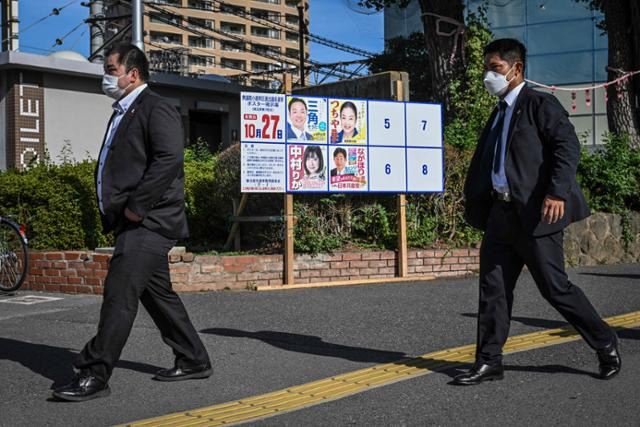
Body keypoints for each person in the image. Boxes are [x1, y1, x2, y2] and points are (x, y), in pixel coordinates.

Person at [457, 38, 620, 385]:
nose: (489, 75)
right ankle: (489, 361)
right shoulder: (498, 112)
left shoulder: (538, 104)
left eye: (495, 68)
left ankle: (605, 341)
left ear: (516, 69)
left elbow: (567, 146)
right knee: (493, 289)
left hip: (536, 216)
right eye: (486, 67)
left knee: (555, 288)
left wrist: (556, 192)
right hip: (501, 216)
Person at [52, 44, 211, 402]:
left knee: (119, 292)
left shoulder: (157, 108)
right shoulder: (123, 111)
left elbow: (169, 159)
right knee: (158, 296)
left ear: (132, 74)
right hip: (134, 222)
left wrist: (136, 209)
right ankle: (193, 358)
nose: (106, 76)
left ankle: (94, 372)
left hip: (150, 221)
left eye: (111, 69)